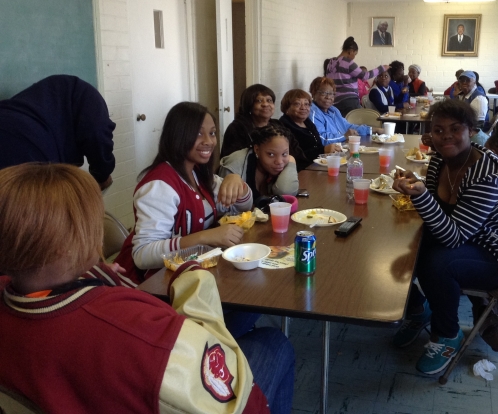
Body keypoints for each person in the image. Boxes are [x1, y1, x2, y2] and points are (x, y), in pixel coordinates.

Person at [0, 163, 294, 414]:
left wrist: (84, 273)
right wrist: (192, 276)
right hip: (174, 368)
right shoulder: (134, 333)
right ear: (80, 238)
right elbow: (241, 400)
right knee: (273, 342)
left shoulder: (23, 287)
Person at [392, 99, 498, 375]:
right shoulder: (440, 158)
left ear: (471, 131)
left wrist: (421, 196)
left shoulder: (485, 174)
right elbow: (437, 212)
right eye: (438, 130)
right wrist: (415, 183)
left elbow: (452, 237)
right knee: (398, 243)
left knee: (438, 263)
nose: (446, 136)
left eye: (455, 129)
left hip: (496, 253)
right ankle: (417, 309)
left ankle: (447, 334)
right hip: (465, 237)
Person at [116, 102, 253, 285]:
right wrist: (205, 237)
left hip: (192, 274)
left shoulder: (197, 172)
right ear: (178, 135)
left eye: (212, 133)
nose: (209, 141)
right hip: (152, 284)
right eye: (198, 133)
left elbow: (243, 206)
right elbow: (143, 255)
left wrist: (236, 181)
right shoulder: (160, 185)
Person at [0, 75, 115, 190]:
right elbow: (98, 133)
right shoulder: (90, 98)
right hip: (23, 143)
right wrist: (102, 175)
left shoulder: (57, 91)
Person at [219, 124, 299, 203]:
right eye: (271, 154)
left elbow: (286, 192)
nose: (279, 162)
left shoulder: (283, 161)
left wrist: (291, 161)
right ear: (257, 149)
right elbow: (224, 207)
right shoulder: (234, 166)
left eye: (284, 154)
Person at [279, 88, 342, 170]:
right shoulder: (284, 126)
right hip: (300, 171)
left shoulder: (307, 122)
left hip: (316, 166)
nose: (303, 108)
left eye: (307, 104)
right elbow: (296, 156)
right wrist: (323, 150)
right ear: (287, 108)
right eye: (297, 104)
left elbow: (318, 145)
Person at [309, 76, 383, 145]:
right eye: (324, 93)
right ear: (313, 93)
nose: (328, 97)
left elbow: (348, 127)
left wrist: (373, 130)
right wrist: (344, 136)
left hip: (343, 148)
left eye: (331, 94)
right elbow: (320, 138)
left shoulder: (333, 110)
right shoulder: (312, 112)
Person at [324, 37, 388, 115]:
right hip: (349, 101)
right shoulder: (348, 63)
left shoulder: (331, 62)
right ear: (350, 51)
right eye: (355, 54)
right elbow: (365, 76)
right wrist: (382, 68)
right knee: (366, 120)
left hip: (335, 101)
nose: (354, 57)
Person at [220, 84, 282, 158]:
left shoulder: (278, 125)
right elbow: (234, 161)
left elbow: (294, 153)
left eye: (269, 100)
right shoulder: (237, 128)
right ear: (249, 106)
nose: (265, 104)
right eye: (259, 101)